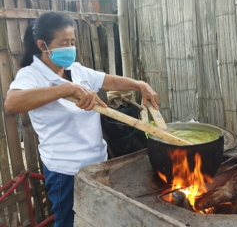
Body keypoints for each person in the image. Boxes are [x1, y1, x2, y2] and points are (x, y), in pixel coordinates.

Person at [4, 12, 158, 227]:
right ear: (43, 45)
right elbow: (12, 103)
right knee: (70, 222)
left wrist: (140, 85)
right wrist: (65, 89)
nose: (70, 47)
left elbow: (109, 81)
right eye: (64, 42)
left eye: (72, 41)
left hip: (99, 163)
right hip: (66, 171)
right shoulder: (31, 75)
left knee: (98, 218)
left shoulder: (75, 70)